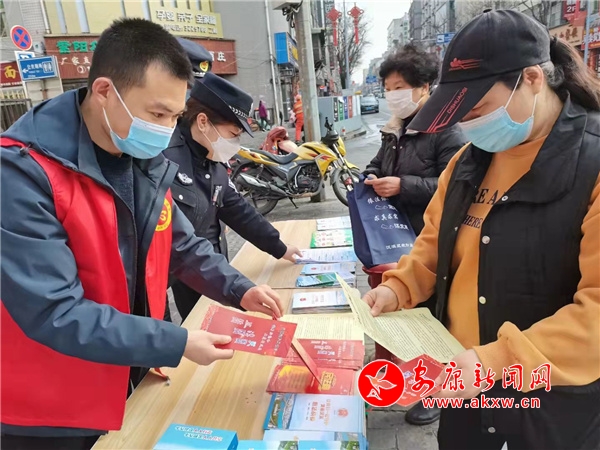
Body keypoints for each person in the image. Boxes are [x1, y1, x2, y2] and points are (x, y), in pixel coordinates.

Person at [0, 19, 282, 450]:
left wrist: (239, 289)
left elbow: (180, 244)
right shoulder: (23, 173)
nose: (166, 129)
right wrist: (176, 341)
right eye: (156, 114)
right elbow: (54, 311)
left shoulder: (138, 156)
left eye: (174, 116)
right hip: (54, 407)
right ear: (104, 91)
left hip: (129, 371)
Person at [363, 9, 600, 450]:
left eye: (478, 108)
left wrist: (495, 361)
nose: (469, 123)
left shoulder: (592, 164)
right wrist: (398, 289)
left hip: (550, 399)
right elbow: (434, 245)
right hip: (463, 385)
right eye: (461, 112)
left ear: (532, 79)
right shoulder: (466, 162)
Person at [362, 43, 466, 427]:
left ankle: (437, 392)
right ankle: (406, 378)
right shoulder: (396, 129)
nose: (393, 95)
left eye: (400, 87)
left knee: (432, 318)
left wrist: (403, 185)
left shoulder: (445, 129)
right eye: (388, 88)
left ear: (424, 87)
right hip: (396, 235)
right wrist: (370, 176)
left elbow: (455, 184)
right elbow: (377, 163)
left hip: (431, 239)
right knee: (403, 314)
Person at [164, 73, 302, 321]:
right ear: (203, 122)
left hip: (214, 268)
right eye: (233, 133)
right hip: (181, 271)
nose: (235, 143)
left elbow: (238, 209)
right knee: (192, 328)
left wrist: (279, 247)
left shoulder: (212, 158)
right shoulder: (165, 160)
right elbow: (177, 243)